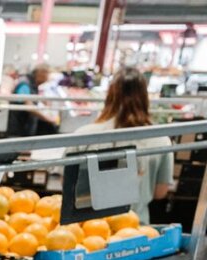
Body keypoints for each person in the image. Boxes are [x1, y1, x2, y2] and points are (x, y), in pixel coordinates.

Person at [71, 67, 172, 224]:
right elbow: (160, 192)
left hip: (89, 231)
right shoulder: (161, 140)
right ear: (145, 98)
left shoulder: (83, 135)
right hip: (135, 229)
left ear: (109, 95)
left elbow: (70, 185)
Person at [7, 63, 58, 137]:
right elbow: (28, 106)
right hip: (19, 131)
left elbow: (30, 96)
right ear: (40, 73)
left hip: (24, 129)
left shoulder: (31, 82)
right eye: (47, 74)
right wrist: (48, 119)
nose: (48, 78)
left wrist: (41, 100)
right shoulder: (24, 84)